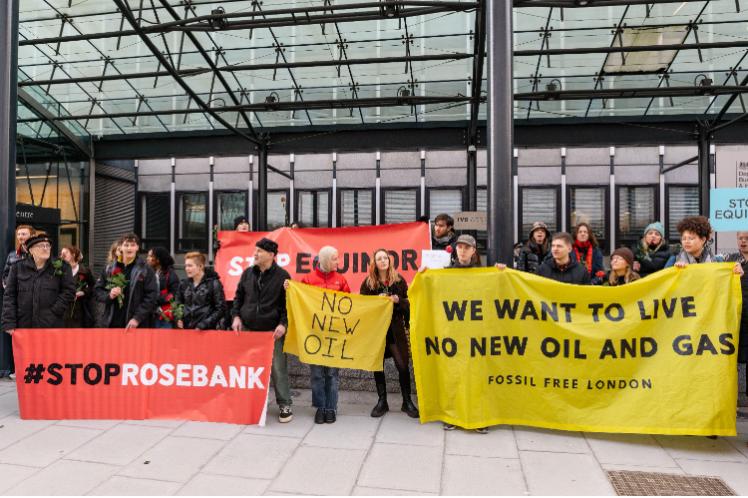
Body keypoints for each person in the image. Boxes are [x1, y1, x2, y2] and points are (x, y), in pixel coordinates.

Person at [231, 238, 293, 423]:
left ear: (271, 255)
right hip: (249, 329)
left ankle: (285, 404)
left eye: (259, 251)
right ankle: (251, 403)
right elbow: (238, 298)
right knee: (249, 368)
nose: (255, 254)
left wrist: (283, 324)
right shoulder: (247, 274)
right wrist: (236, 316)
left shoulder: (283, 276)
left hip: (272, 332)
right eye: (255, 250)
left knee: (278, 369)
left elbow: (287, 305)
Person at [435, 234, 488, 434]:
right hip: (454, 333)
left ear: (474, 251)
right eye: (460, 247)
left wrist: (501, 274)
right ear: (456, 250)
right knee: (453, 375)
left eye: (467, 247)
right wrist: (424, 274)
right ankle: (452, 416)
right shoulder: (445, 273)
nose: (463, 250)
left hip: (475, 334)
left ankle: (478, 417)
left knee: (476, 377)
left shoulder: (483, 274)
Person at [360, 249, 419, 419]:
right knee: (377, 365)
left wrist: (397, 301)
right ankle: (382, 401)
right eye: (379, 258)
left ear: (390, 260)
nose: (383, 261)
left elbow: (409, 303)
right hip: (377, 331)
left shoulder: (399, 280)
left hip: (395, 329)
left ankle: (406, 401)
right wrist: (376, 301)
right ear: (375, 263)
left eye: (385, 257)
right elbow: (363, 306)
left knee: (402, 365)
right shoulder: (368, 283)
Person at [299, 246, 351, 424]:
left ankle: (331, 408)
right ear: (326, 260)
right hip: (314, 335)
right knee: (317, 374)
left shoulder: (341, 280)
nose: (338, 262)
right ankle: (320, 407)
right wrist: (288, 288)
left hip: (334, 336)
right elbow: (299, 301)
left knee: (332, 374)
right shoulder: (308, 279)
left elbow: (350, 304)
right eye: (335, 259)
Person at [2, 232, 76, 336]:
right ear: (31, 250)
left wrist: (54, 312)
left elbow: (69, 291)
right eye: (41, 246)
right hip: (24, 325)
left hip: (51, 325)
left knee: (50, 352)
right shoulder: (17, 268)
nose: (45, 248)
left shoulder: (62, 267)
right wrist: (9, 322)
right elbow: (9, 295)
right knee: (25, 352)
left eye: (47, 245)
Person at [94, 234, 159, 329]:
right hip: (111, 323)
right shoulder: (109, 269)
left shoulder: (145, 270)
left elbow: (151, 297)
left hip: (135, 325)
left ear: (137, 247)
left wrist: (137, 318)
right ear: (120, 247)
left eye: (132, 245)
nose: (129, 248)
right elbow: (97, 290)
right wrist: (109, 295)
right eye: (126, 245)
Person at [176, 252, 226, 330]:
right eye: (186, 266)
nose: (186, 268)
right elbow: (178, 304)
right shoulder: (183, 284)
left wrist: (204, 324)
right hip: (186, 330)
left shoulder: (214, 283)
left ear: (200, 266)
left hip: (206, 331)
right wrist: (178, 318)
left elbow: (221, 309)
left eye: (190, 266)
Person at [725, 232, 748, 370]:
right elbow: (707, 264)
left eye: (747, 238)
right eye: (740, 238)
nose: (743, 241)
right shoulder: (730, 259)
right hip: (736, 313)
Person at [60, 246, 96, 328]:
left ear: (73, 255)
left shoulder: (84, 270)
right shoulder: (59, 270)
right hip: (64, 309)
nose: (62, 256)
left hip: (80, 309)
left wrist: (83, 292)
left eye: (65, 253)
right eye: (61, 254)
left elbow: (93, 286)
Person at [147, 247, 180, 329]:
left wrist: (157, 300)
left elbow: (174, 294)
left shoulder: (171, 274)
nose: (147, 258)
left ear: (158, 259)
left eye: (150, 256)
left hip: (164, 316)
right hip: (152, 314)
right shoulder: (150, 272)